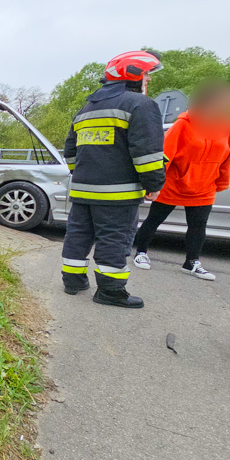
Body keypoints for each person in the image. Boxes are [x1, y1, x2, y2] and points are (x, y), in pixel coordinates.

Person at [61, 51, 166, 308]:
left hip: (83, 190)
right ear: (133, 76)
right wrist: (154, 183)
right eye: (146, 75)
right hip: (118, 193)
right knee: (114, 238)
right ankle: (110, 292)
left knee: (78, 235)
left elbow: (70, 151)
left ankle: (72, 281)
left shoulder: (86, 108)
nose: (148, 81)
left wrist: (83, 174)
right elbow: (147, 153)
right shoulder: (141, 105)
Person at [133, 80, 230, 280]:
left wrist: (221, 182)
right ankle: (141, 252)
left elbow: (227, 158)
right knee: (155, 219)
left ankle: (192, 262)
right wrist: (154, 183)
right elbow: (165, 154)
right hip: (173, 184)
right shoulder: (182, 125)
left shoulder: (226, 127)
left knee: (199, 225)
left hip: (204, 187)